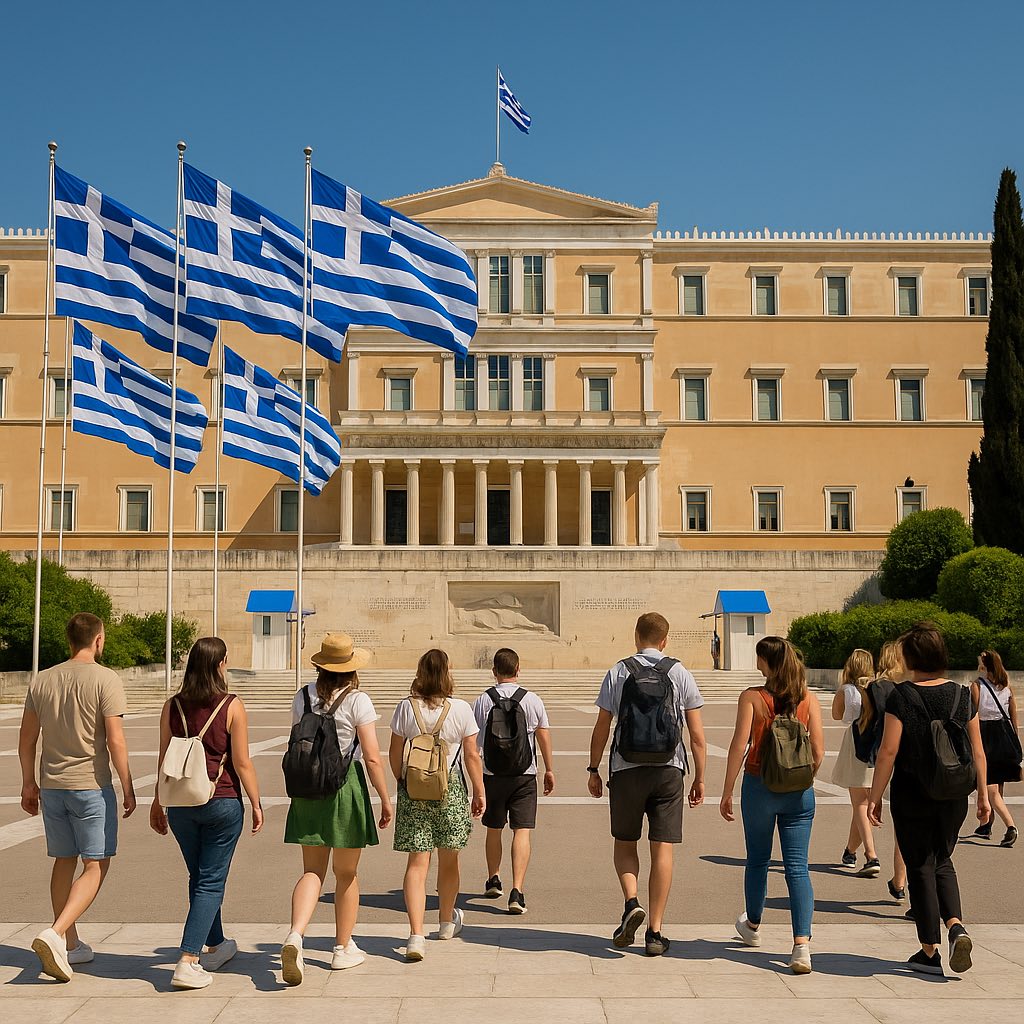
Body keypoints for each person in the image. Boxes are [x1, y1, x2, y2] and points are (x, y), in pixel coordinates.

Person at [18, 612, 135, 983]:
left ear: (69, 640)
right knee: (96, 864)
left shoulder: (42, 679)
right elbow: (115, 740)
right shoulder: (106, 679)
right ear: (98, 640)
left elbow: (26, 739)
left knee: (64, 859)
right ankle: (56, 933)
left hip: (52, 785)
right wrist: (128, 784)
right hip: (91, 786)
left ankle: (70, 943)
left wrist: (28, 783)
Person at [868, 622, 989, 975]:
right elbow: (978, 751)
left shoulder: (901, 696)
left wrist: (875, 796)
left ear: (910, 658)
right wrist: (983, 795)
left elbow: (888, 751)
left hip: (913, 792)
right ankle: (956, 926)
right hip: (955, 793)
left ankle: (929, 951)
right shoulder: (962, 695)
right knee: (943, 859)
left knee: (919, 865)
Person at [588, 612, 706, 957]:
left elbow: (602, 726)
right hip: (669, 770)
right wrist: (700, 776)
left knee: (625, 842)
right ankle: (655, 932)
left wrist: (593, 768)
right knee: (662, 849)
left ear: (636, 636)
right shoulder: (679, 672)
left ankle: (631, 902)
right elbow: (697, 736)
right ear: (665, 640)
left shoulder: (619, 671)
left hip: (626, 768)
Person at [150, 637, 263, 990]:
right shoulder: (231, 705)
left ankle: (216, 944)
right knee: (211, 881)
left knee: (199, 877)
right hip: (221, 799)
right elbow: (242, 762)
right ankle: (188, 958)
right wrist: (257, 802)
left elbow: (164, 758)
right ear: (220, 664)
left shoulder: (172, 706)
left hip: (181, 803)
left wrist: (157, 801)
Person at [281, 634, 394, 985]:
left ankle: (295, 934)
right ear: (351, 668)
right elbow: (372, 757)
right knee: (346, 874)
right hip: (345, 787)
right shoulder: (357, 700)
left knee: (312, 871)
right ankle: (343, 948)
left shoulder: (303, 696)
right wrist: (385, 798)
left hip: (307, 790)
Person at [720, 636, 824, 975]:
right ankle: (801, 945)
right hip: (799, 792)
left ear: (766, 662)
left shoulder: (752, 697)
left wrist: (727, 790)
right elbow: (819, 751)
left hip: (759, 786)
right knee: (797, 867)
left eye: (759, 658)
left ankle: (752, 925)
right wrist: (800, 778)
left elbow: (739, 745)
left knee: (758, 859)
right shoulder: (808, 698)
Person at [389, 649, 485, 962]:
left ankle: (416, 935)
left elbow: (394, 753)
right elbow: (471, 755)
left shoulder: (406, 707)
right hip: (450, 787)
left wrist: (404, 781)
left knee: (417, 864)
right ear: (448, 673)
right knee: (449, 858)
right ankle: (445, 922)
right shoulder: (461, 708)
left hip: (415, 789)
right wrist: (479, 791)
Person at [472, 648, 555, 915]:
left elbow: (473, 744)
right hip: (524, 775)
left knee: (494, 829)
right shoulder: (532, 700)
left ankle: (493, 879)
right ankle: (517, 891)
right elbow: (543, 735)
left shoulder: (483, 700)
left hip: (492, 774)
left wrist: (474, 780)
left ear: (494, 671)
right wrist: (549, 769)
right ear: (518, 669)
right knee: (522, 831)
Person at [831, 648, 881, 877]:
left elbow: (837, 715)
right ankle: (850, 851)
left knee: (860, 802)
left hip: (856, 742)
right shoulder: (878, 688)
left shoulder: (848, 690)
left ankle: (871, 855)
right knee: (863, 801)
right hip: (876, 745)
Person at [871, 641, 909, 903]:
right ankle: (900, 880)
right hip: (916, 758)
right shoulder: (910, 687)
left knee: (903, 830)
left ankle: (899, 880)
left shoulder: (878, 688)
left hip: (887, 756)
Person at [970, 649, 1019, 847]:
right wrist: (1015, 739)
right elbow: (1013, 714)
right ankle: (986, 825)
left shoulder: (977, 685)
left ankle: (1010, 826)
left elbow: (973, 714)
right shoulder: (1006, 686)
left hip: (985, 735)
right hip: (1004, 736)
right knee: (998, 786)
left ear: (985, 666)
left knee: (988, 785)